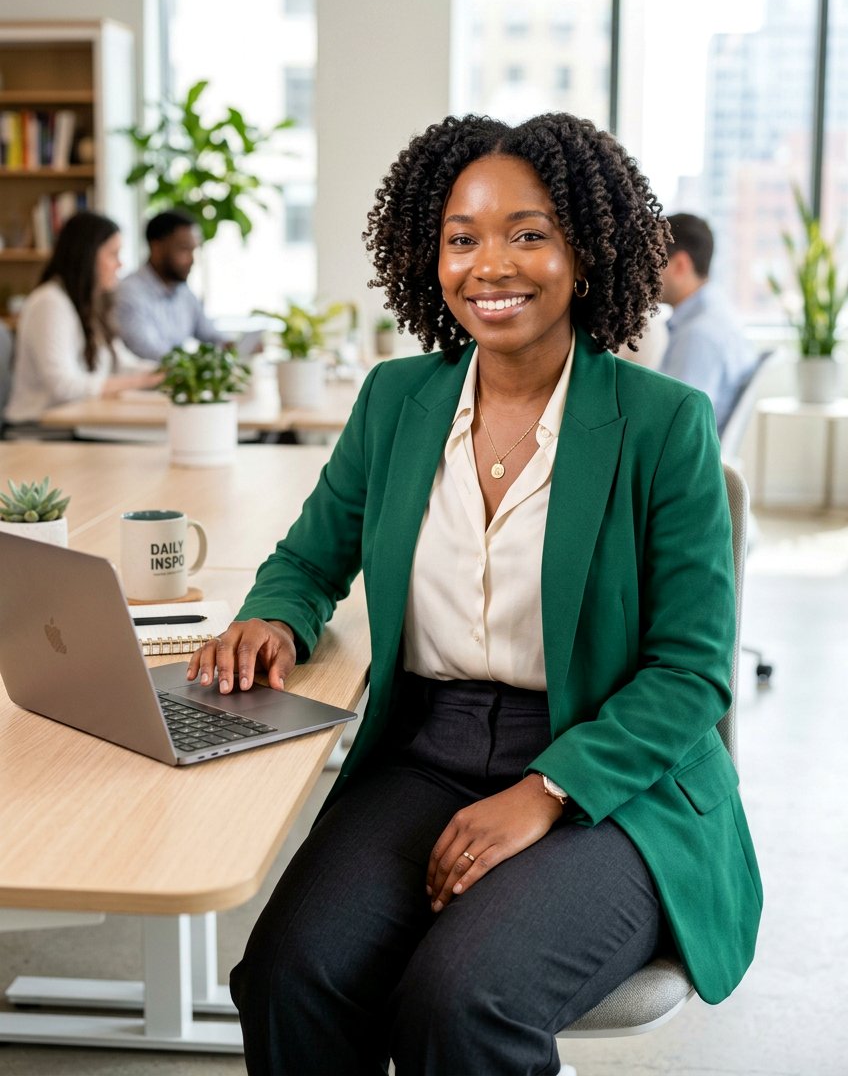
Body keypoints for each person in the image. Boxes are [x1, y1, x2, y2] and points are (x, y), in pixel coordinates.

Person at [188, 113, 762, 1076]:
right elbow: (308, 559)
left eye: (528, 234)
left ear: (588, 251)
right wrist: (272, 618)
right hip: (424, 752)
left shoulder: (663, 424)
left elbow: (693, 672)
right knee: (289, 974)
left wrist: (546, 790)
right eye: (463, 238)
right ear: (430, 256)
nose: (490, 265)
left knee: (461, 1002)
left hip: (612, 779)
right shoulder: (396, 401)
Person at [5, 212, 161, 424]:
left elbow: (122, 364)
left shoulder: (89, 303)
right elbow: (65, 387)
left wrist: (164, 371)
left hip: (75, 422)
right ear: (87, 256)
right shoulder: (50, 302)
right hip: (38, 428)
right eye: (113, 254)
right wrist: (143, 381)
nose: (120, 265)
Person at [660, 212, 757, 435]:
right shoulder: (717, 312)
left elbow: (676, 427)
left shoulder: (698, 334)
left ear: (680, 265)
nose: (642, 272)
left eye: (652, 261)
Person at [115, 209, 222, 360]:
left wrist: (235, 345)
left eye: (194, 250)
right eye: (184, 249)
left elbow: (209, 332)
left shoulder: (183, 290)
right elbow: (150, 352)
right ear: (157, 248)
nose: (192, 260)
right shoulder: (128, 292)